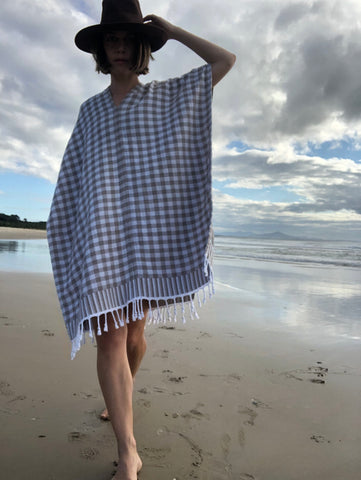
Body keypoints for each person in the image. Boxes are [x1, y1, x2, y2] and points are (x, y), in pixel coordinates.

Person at [47, 1, 235, 479]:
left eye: (128, 40)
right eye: (112, 40)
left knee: (135, 333)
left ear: (141, 47)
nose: (119, 48)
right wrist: (66, 225)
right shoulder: (89, 112)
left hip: (147, 239)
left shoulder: (164, 98)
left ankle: (123, 392)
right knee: (108, 337)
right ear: (101, 50)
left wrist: (173, 29)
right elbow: (75, 178)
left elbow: (223, 61)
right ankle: (128, 452)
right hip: (102, 238)